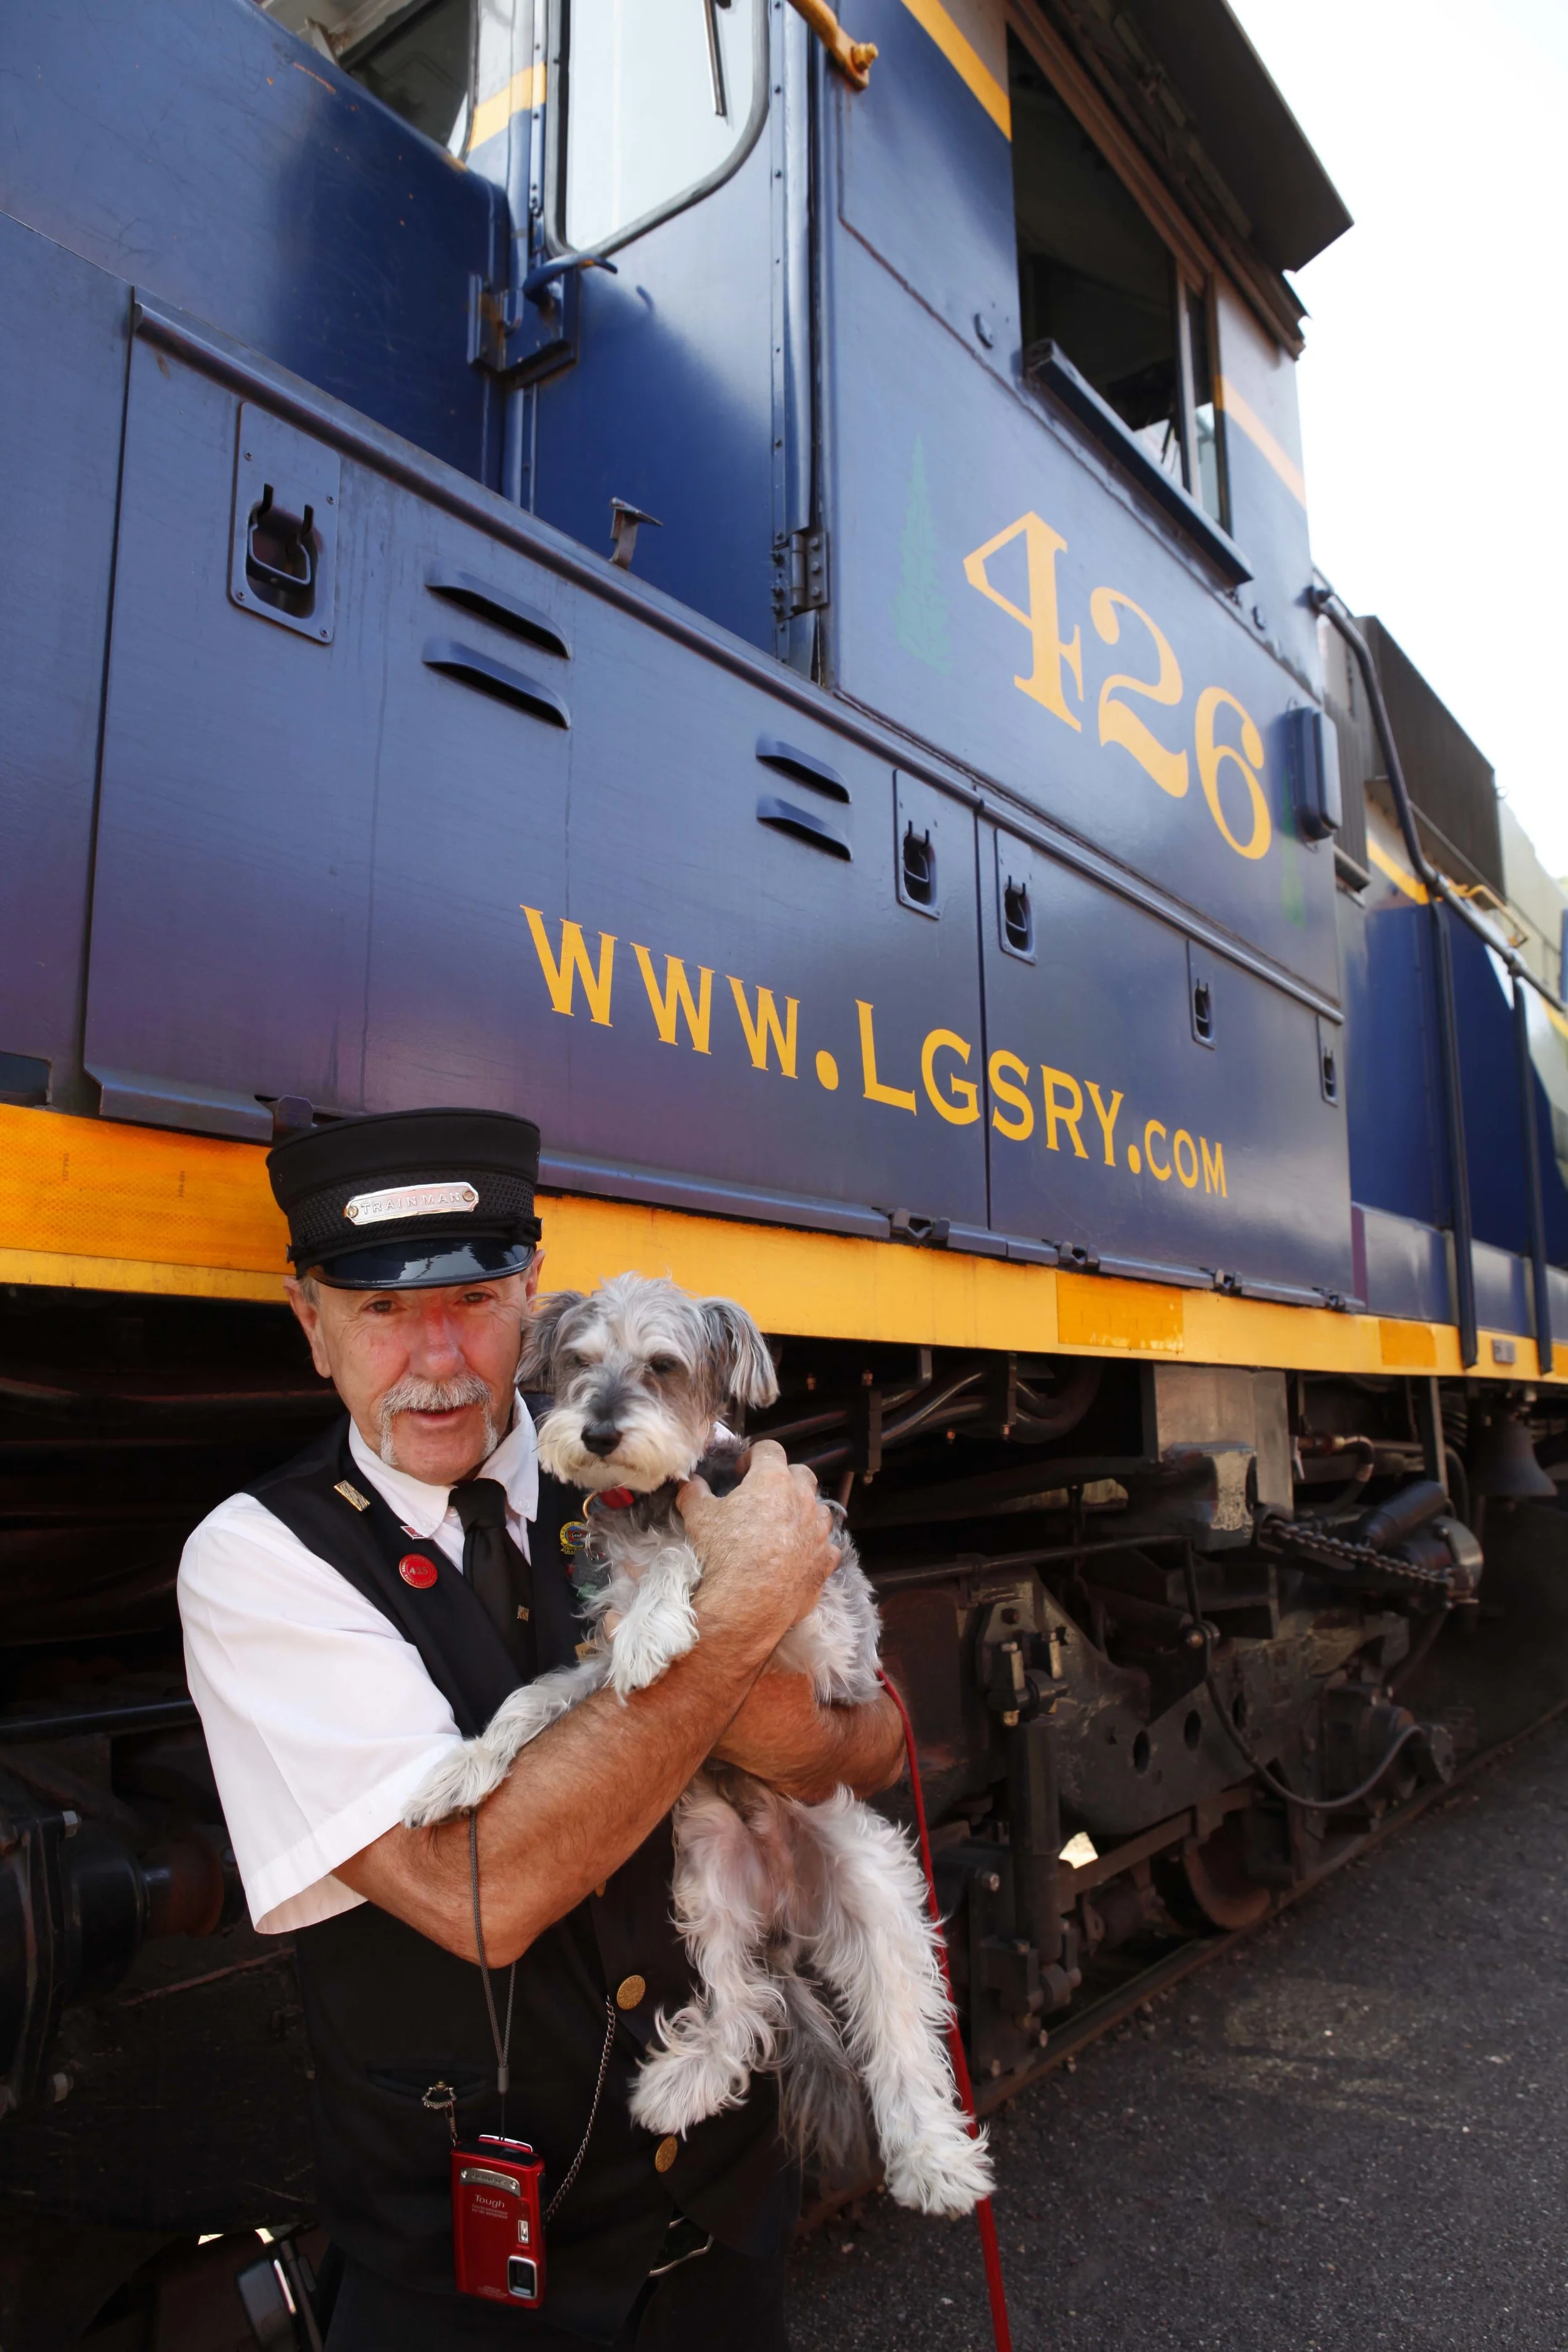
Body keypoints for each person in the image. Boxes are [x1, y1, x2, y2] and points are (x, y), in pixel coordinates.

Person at [178, 1106, 904, 2349]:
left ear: (531, 1294)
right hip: (467, 2296)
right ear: (312, 1327)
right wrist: (737, 1624)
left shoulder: (673, 1460)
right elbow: (481, 1893)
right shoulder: (260, 1559)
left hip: (724, 2242)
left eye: (468, 1298)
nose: (440, 1355)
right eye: (381, 1310)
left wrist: (814, 1739)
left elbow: (878, 1744)